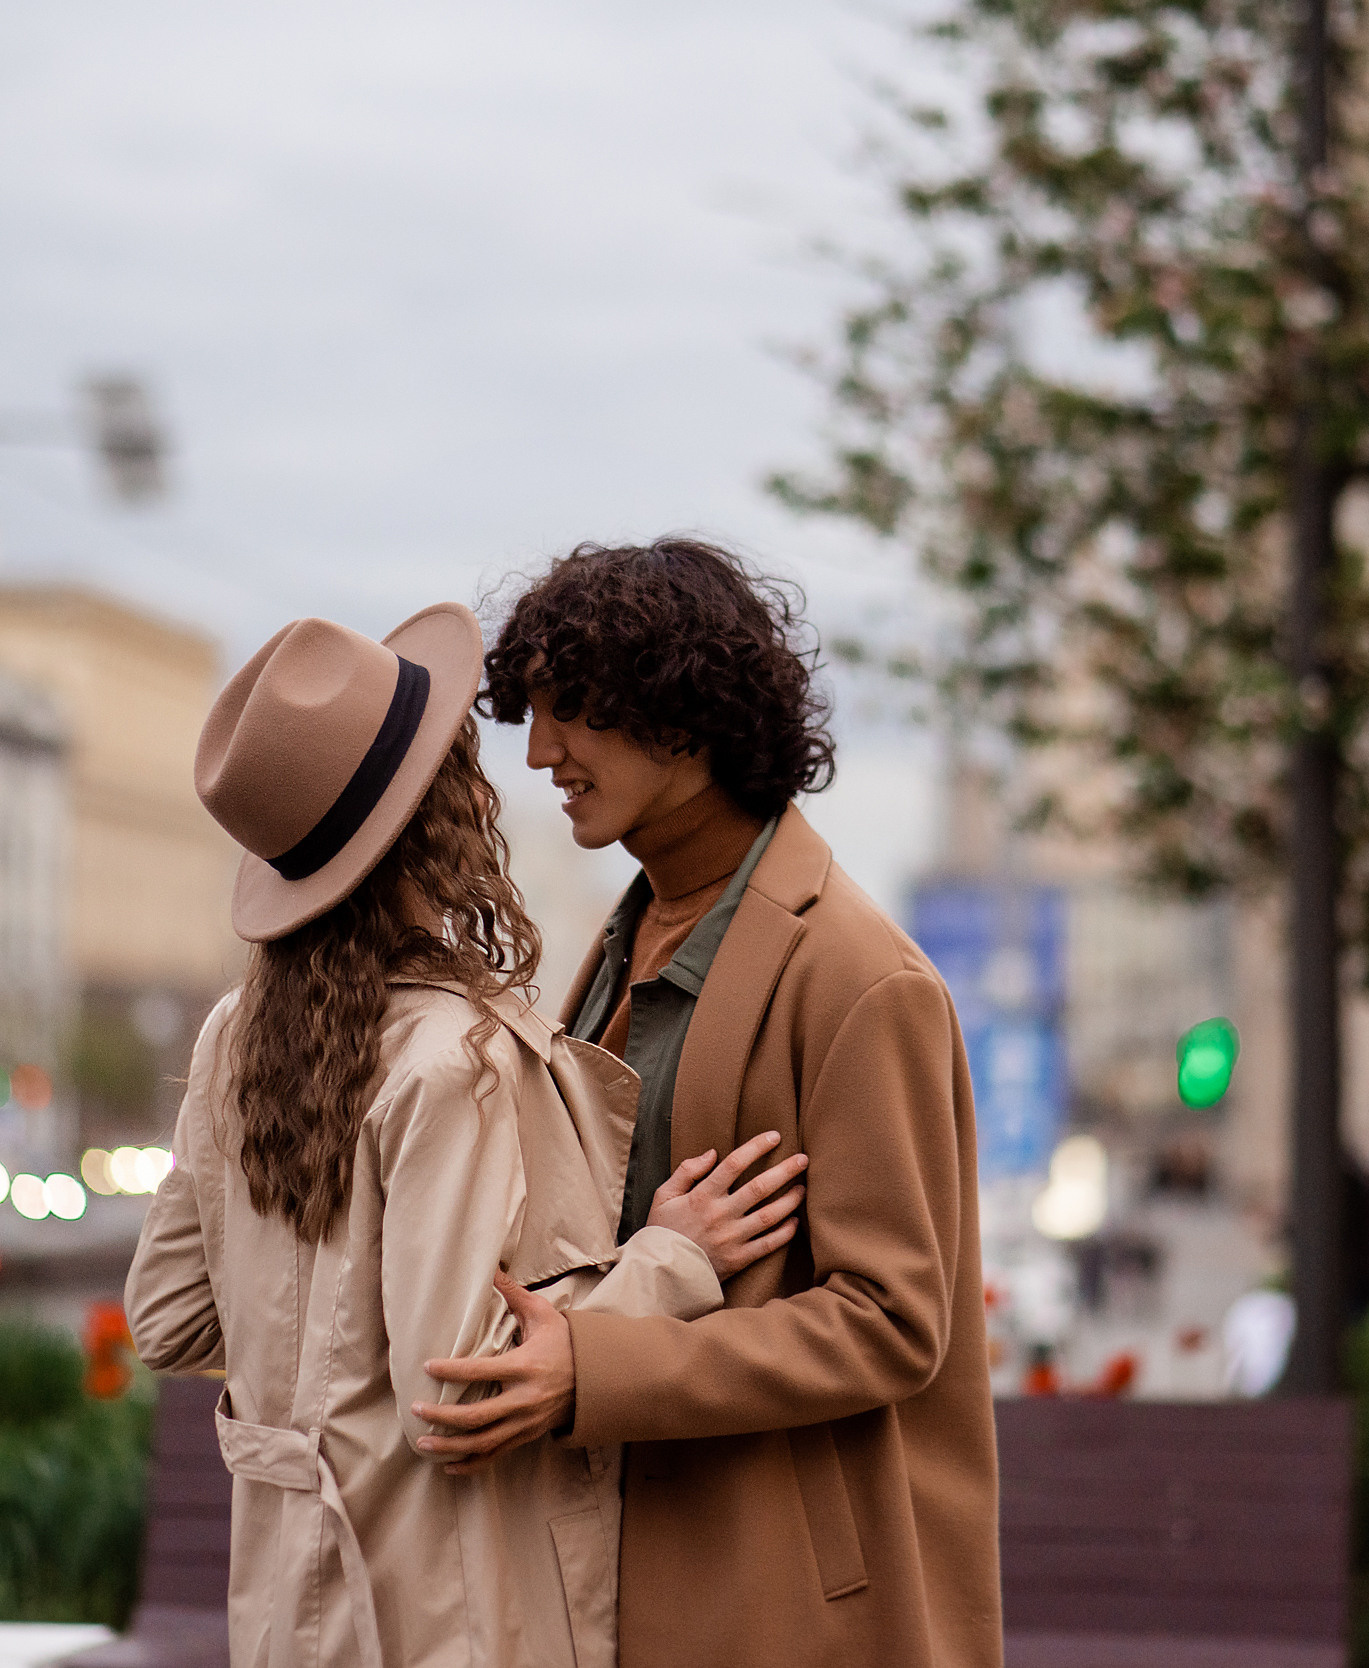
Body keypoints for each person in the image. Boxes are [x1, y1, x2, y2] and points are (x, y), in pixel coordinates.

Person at [124, 603, 806, 1668]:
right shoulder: (455, 1060)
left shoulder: (234, 1038)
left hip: (284, 1615)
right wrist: (673, 1259)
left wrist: (321, 1377)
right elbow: (456, 1389)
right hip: (452, 1619)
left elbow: (167, 1319)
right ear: (440, 813)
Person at [414, 540, 1005, 1667]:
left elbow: (893, 1324)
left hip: (776, 1587)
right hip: (611, 1551)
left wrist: (593, 1367)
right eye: (531, 717)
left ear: (684, 717)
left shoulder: (861, 977)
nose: (540, 753)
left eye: (572, 713)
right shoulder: (627, 931)